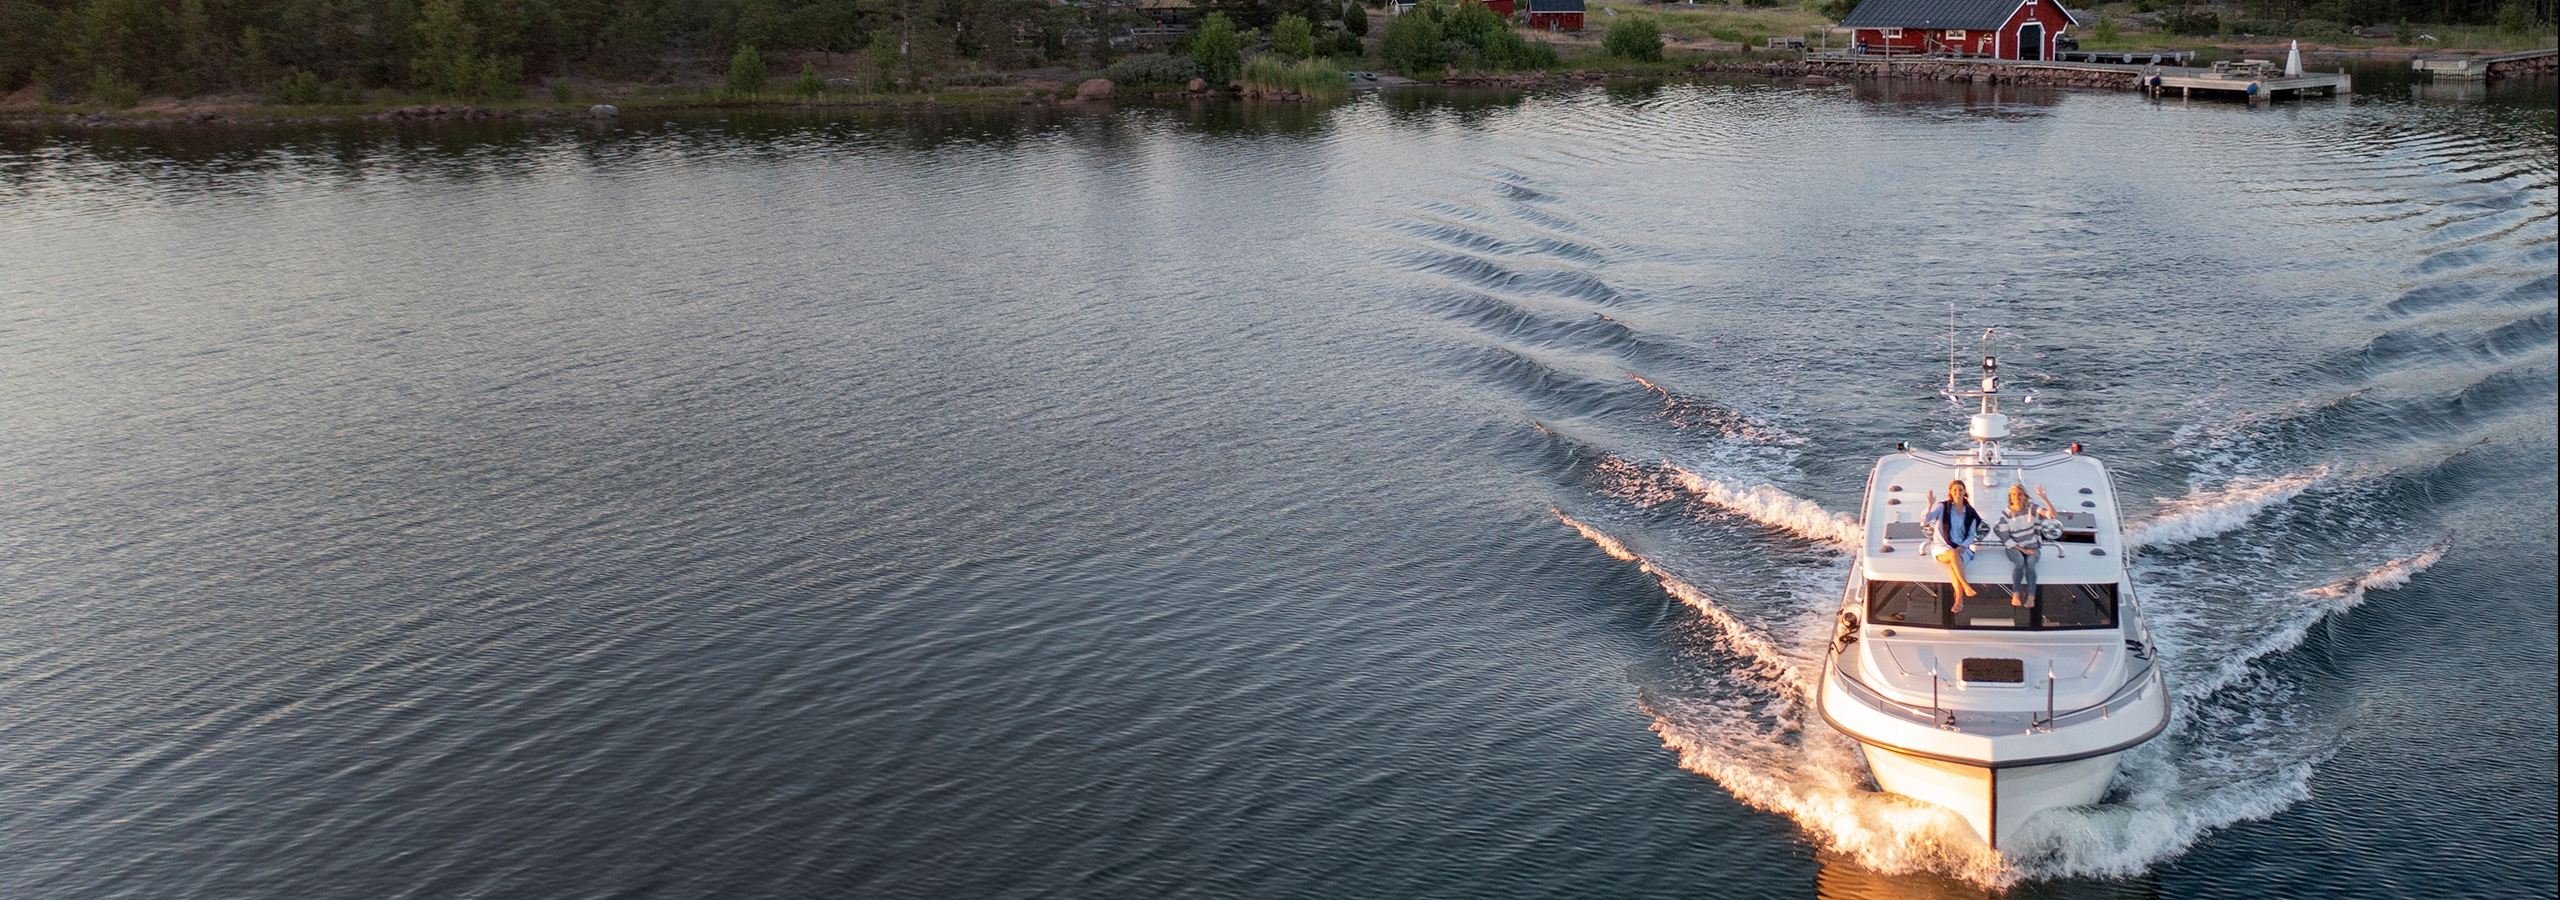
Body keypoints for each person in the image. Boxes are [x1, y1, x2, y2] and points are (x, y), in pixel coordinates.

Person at [1992, 484, 2062, 607]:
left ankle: (2031, 597)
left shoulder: (2032, 509)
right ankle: (2016, 594)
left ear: (2025, 496)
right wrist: (2023, 550)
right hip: (2014, 547)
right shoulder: (2006, 514)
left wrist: (2045, 498)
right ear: (2010, 497)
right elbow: (2005, 538)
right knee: (2019, 561)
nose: (2016, 497)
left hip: (2032, 546)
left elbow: (2053, 516)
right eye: (2013, 494)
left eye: (2020, 494)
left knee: (2030, 564)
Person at [1923, 480, 1984, 611]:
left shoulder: (1970, 512)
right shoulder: (1942, 507)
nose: (1958, 492)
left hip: (1962, 548)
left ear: (1964, 492)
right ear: (1950, 492)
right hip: (1942, 547)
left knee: (1954, 566)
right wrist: (1929, 505)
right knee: (1952, 554)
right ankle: (1965, 585)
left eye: (1960, 490)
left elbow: (1971, 535)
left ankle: (1959, 600)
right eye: (1955, 490)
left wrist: (1963, 546)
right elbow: (1925, 520)